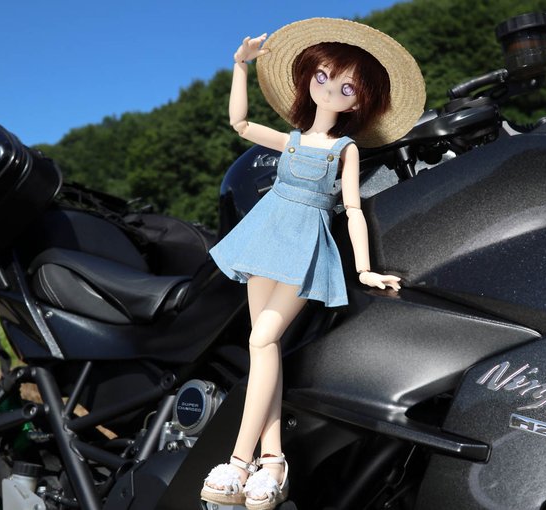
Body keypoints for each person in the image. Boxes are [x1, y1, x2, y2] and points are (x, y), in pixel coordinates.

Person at [200, 17, 425, 510]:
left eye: (345, 87)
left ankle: (237, 462)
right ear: (307, 78)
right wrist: (240, 66)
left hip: (305, 246)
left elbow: (353, 210)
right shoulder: (295, 138)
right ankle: (273, 462)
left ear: (358, 101)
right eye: (322, 76)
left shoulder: (345, 150)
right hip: (266, 236)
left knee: (262, 341)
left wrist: (364, 268)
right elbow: (240, 125)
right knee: (267, 350)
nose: (329, 89)